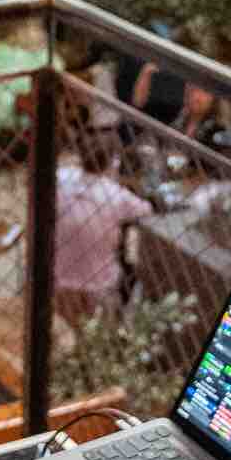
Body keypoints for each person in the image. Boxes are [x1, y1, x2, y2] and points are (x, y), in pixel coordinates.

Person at [52, 114, 153, 322]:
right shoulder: (117, 196)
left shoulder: (61, 176)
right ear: (113, 161)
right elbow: (148, 210)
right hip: (97, 284)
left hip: (56, 277)